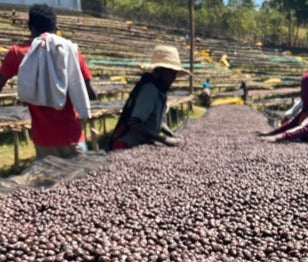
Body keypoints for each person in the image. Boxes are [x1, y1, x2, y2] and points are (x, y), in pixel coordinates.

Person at [0, 4, 97, 158]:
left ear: (30, 27)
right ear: (55, 27)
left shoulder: (17, 53)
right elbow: (91, 93)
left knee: (50, 181)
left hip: (44, 141)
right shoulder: (69, 51)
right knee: (82, 180)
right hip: (72, 136)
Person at [111, 44, 189, 150]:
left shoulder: (160, 91)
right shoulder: (150, 90)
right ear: (159, 71)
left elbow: (159, 123)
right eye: (169, 72)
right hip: (128, 145)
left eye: (174, 73)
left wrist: (173, 136)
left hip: (144, 143)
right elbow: (134, 124)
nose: (173, 77)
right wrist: (162, 139)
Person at [259, 68, 308, 151]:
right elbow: (293, 123)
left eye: (304, 89)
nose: (302, 93)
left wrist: (278, 137)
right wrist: (271, 133)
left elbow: (305, 127)